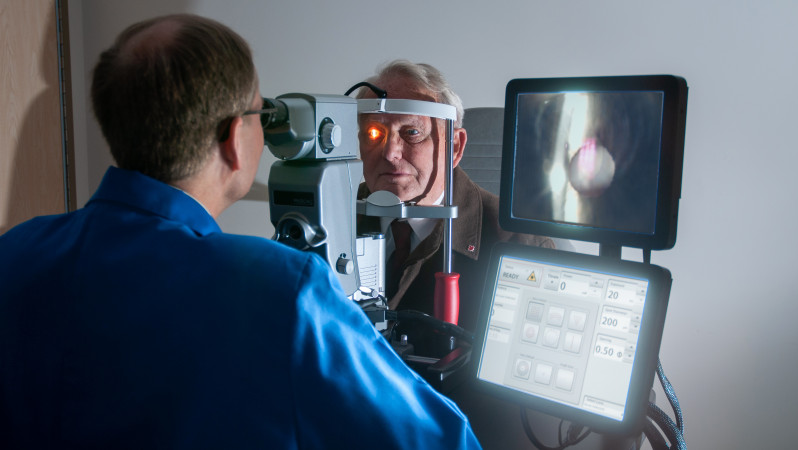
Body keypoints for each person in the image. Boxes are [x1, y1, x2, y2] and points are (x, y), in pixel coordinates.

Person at [0, 15, 480, 449]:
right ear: (234, 139)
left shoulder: (16, 252)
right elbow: (436, 441)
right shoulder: (280, 289)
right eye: (260, 114)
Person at [355, 60, 554, 333]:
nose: (390, 153)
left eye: (412, 132)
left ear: (455, 147)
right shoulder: (325, 222)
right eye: (373, 133)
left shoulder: (520, 245)